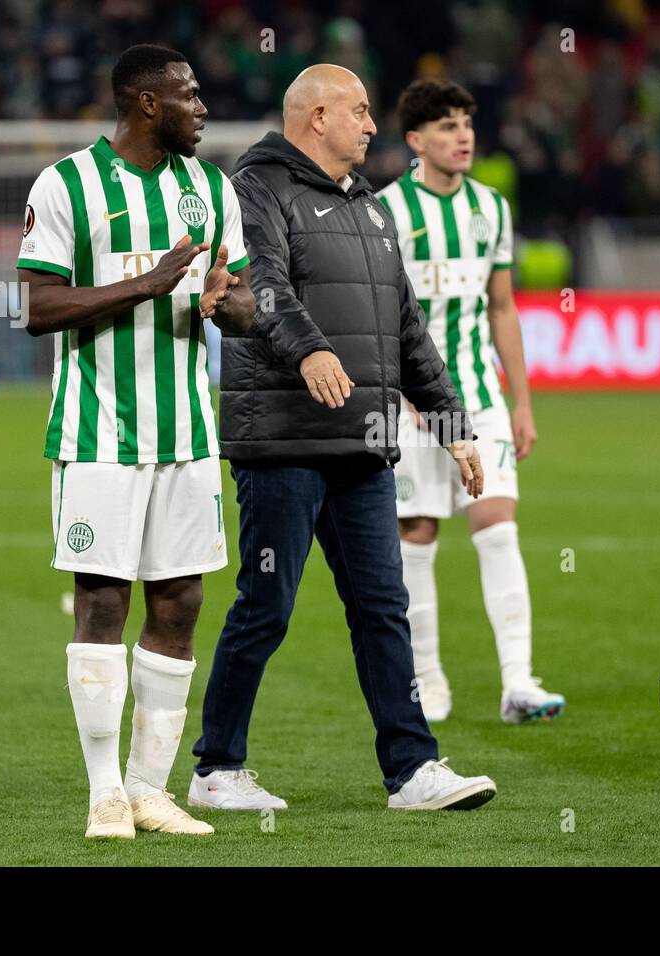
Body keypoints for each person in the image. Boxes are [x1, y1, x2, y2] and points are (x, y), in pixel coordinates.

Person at [187, 64, 497, 812]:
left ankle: (413, 770)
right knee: (267, 605)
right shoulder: (253, 190)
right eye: (358, 110)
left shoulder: (370, 206)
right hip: (284, 440)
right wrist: (311, 349)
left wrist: (454, 425)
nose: (370, 124)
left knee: (383, 608)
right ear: (316, 116)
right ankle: (216, 770)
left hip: (362, 443)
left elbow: (406, 326)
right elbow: (261, 288)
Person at [18, 44, 255, 837]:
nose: (203, 109)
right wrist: (147, 284)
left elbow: (246, 301)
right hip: (97, 432)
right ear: (148, 104)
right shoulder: (66, 185)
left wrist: (228, 304)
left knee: (181, 601)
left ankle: (150, 789)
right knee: (103, 601)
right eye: (190, 96)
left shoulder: (213, 190)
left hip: (186, 430)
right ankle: (103, 794)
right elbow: (39, 307)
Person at [377, 80, 563, 725]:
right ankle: (426, 676)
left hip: (479, 400)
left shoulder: (492, 208)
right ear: (416, 141)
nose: (462, 137)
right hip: (408, 408)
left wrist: (523, 401)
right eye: (447, 127)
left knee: (499, 528)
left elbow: (502, 307)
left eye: (466, 125)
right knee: (417, 535)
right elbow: (378, 318)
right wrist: (402, 392)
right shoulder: (388, 210)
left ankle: (519, 682)